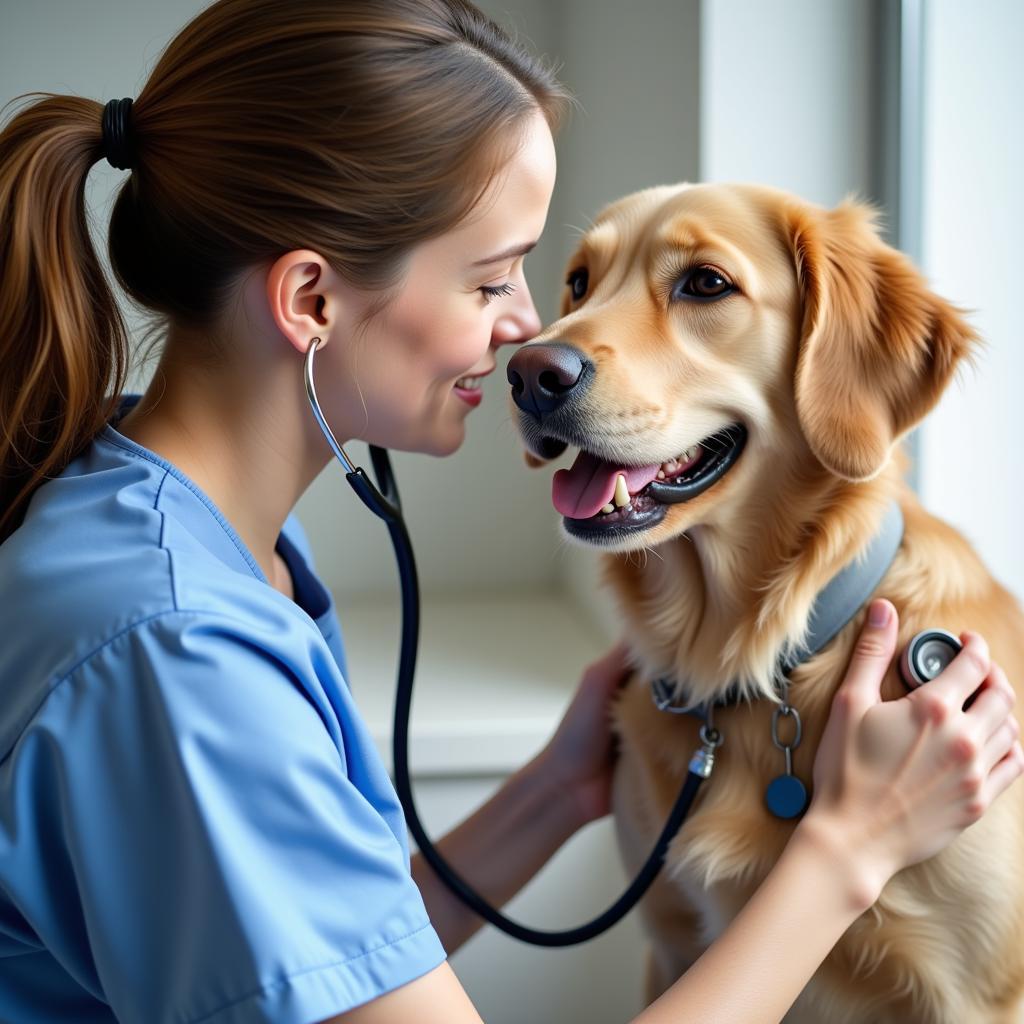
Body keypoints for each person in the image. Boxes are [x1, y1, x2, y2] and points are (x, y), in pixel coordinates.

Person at [0, 1, 1020, 1022]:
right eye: (494, 278)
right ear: (311, 301)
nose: (540, 330)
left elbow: (313, 955)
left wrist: (552, 792)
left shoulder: (151, 511)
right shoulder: (176, 653)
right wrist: (851, 846)